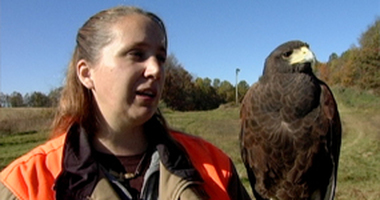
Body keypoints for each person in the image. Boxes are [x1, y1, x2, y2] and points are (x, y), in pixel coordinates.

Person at [0, 6, 251, 200]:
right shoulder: (24, 184)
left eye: (160, 58)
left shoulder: (214, 166)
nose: (156, 70)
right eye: (136, 54)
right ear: (86, 73)